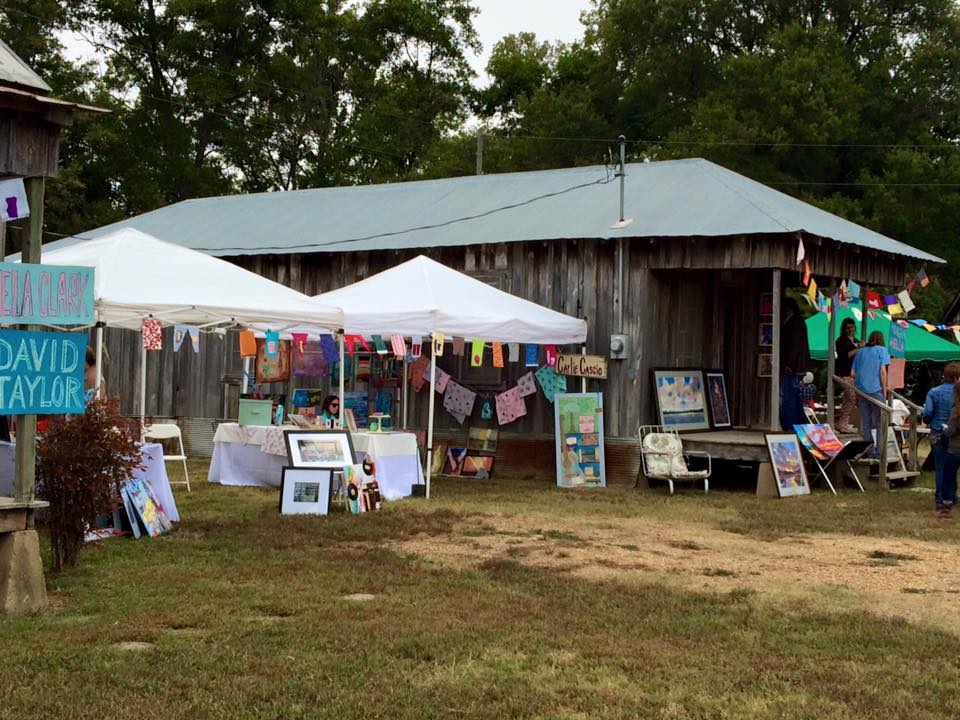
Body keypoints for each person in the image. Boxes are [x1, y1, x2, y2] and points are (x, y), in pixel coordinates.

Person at [923, 362, 960, 514]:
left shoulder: (933, 391)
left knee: (940, 468)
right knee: (953, 468)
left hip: (937, 432)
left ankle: (940, 499)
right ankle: (952, 496)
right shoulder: (958, 392)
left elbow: (927, 413)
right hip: (956, 434)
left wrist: (930, 421)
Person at [851, 331, 889, 458]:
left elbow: (852, 373)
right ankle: (880, 452)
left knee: (866, 422)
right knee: (880, 422)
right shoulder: (882, 350)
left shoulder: (860, 351)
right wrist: (885, 389)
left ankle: (869, 451)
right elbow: (882, 371)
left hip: (861, 390)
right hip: (876, 389)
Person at [780, 297, 810, 431]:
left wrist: (789, 364)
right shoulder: (799, 322)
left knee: (789, 395)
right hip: (797, 365)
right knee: (795, 395)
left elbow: (794, 345)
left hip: (793, 365)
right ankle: (800, 421)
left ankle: (790, 423)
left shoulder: (794, 323)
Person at [935, 381, 960, 518]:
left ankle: (946, 507)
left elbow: (951, 431)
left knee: (948, 479)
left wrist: (945, 430)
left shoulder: (956, 410)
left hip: (954, 449)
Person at [835, 318, 861, 432]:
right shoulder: (840, 341)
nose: (850, 330)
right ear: (844, 329)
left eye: (852, 327)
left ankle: (842, 423)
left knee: (848, 399)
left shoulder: (857, 340)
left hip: (855, 374)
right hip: (844, 373)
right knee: (851, 398)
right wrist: (858, 349)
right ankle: (843, 423)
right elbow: (844, 356)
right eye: (848, 328)